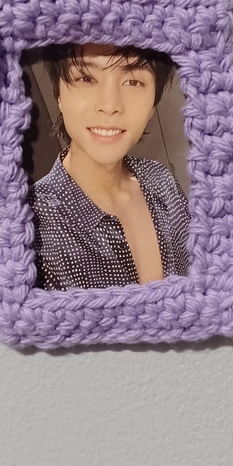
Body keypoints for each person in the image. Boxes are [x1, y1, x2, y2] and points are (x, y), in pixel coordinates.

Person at [27, 43, 191, 291]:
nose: (110, 104)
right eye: (86, 78)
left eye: (133, 82)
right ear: (58, 94)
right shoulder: (31, 225)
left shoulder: (161, 181)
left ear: (153, 104)